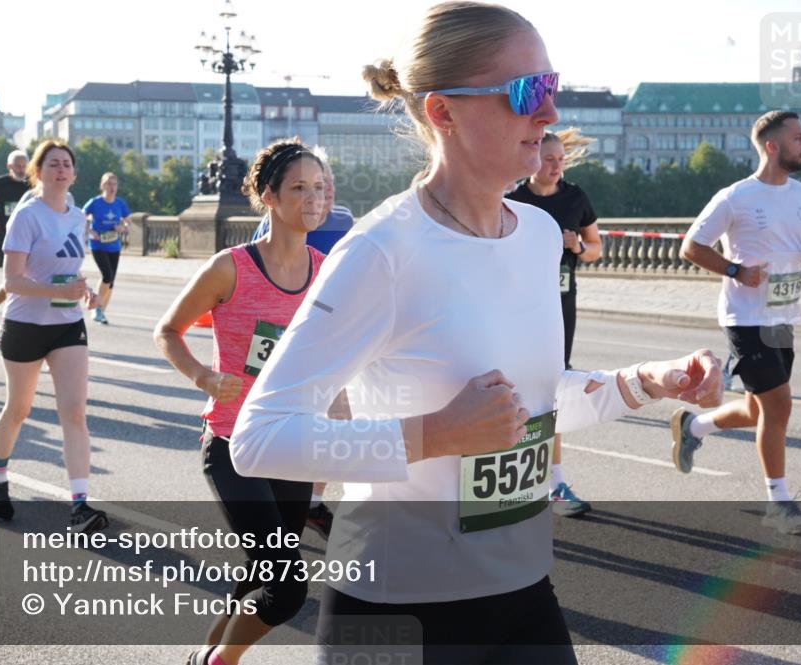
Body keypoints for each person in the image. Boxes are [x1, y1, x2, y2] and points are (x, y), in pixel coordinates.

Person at [229, 4, 723, 664]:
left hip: (522, 591)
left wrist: (645, 382)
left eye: (551, 89)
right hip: (396, 604)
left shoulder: (541, 236)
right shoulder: (382, 251)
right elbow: (258, 438)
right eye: (526, 94)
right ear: (443, 113)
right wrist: (436, 434)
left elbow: (527, 410)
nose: (548, 116)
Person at [153, 138, 330, 665]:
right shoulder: (230, 268)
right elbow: (167, 331)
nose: (312, 198)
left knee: (261, 572)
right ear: (268, 196)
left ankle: (203, 660)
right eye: (299, 188)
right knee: (288, 588)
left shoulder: (328, 271)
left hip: (292, 446)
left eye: (319, 187)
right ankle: (220, 662)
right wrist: (202, 376)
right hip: (234, 443)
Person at [673, 111, 801, 536]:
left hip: (784, 315)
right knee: (779, 405)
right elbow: (692, 246)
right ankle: (778, 503)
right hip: (745, 318)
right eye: (799, 138)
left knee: (761, 410)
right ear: (773, 146)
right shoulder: (735, 197)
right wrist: (736, 270)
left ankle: (694, 425)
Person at [0, 139, 107, 535]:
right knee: (18, 410)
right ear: (39, 171)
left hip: (67, 324)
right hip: (24, 325)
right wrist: (57, 290)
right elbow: (12, 280)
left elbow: (69, 268)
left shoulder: (77, 215)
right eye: (53, 164)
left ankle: (80, 505)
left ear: (73, 173)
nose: (61, 170)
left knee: (74, 412)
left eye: (67, 164)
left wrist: (82, 289)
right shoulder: (27, 215)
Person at [251, 146, 355, 539]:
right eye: (310, 186)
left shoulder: (345, 222)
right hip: (288, 339)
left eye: (325, 185)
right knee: (296, 425)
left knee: (338, 424)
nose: (320, 194)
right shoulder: (276, 224)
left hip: (331, 339)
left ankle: (311, 501)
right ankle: (279, 503)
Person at [506, 128, 601, 517]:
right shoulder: (514, 200)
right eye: (549, 159)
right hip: (517, 308)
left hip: (560, 307)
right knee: (513, 390)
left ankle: (554, 481)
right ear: (532, 159)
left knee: (552, 389)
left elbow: (595, 250)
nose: (556, 166)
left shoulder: (576, 198)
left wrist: (576, 245)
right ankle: (510, 480)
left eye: (561, 159)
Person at [0, 150, 30, 333]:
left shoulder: (33, 184)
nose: (21, 169)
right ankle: (12, 322)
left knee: (19, 278)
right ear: (9, 166)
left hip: (28, 236)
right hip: (4, 236)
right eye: (18, 166)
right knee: (15, 278)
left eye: (24, 165)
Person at [82, 172, 131, 325]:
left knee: (111, 283)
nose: (112, 187)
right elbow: (80, 217)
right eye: (109, 184)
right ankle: (96, 308)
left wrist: (122, 227)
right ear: (102, 185)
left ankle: (101, 312)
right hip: (98, 245)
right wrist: (90, 231)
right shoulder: (95, 202)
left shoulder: (120, 203)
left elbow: (128, 223)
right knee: (107, 276)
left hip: (114, 246)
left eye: (114, 184)